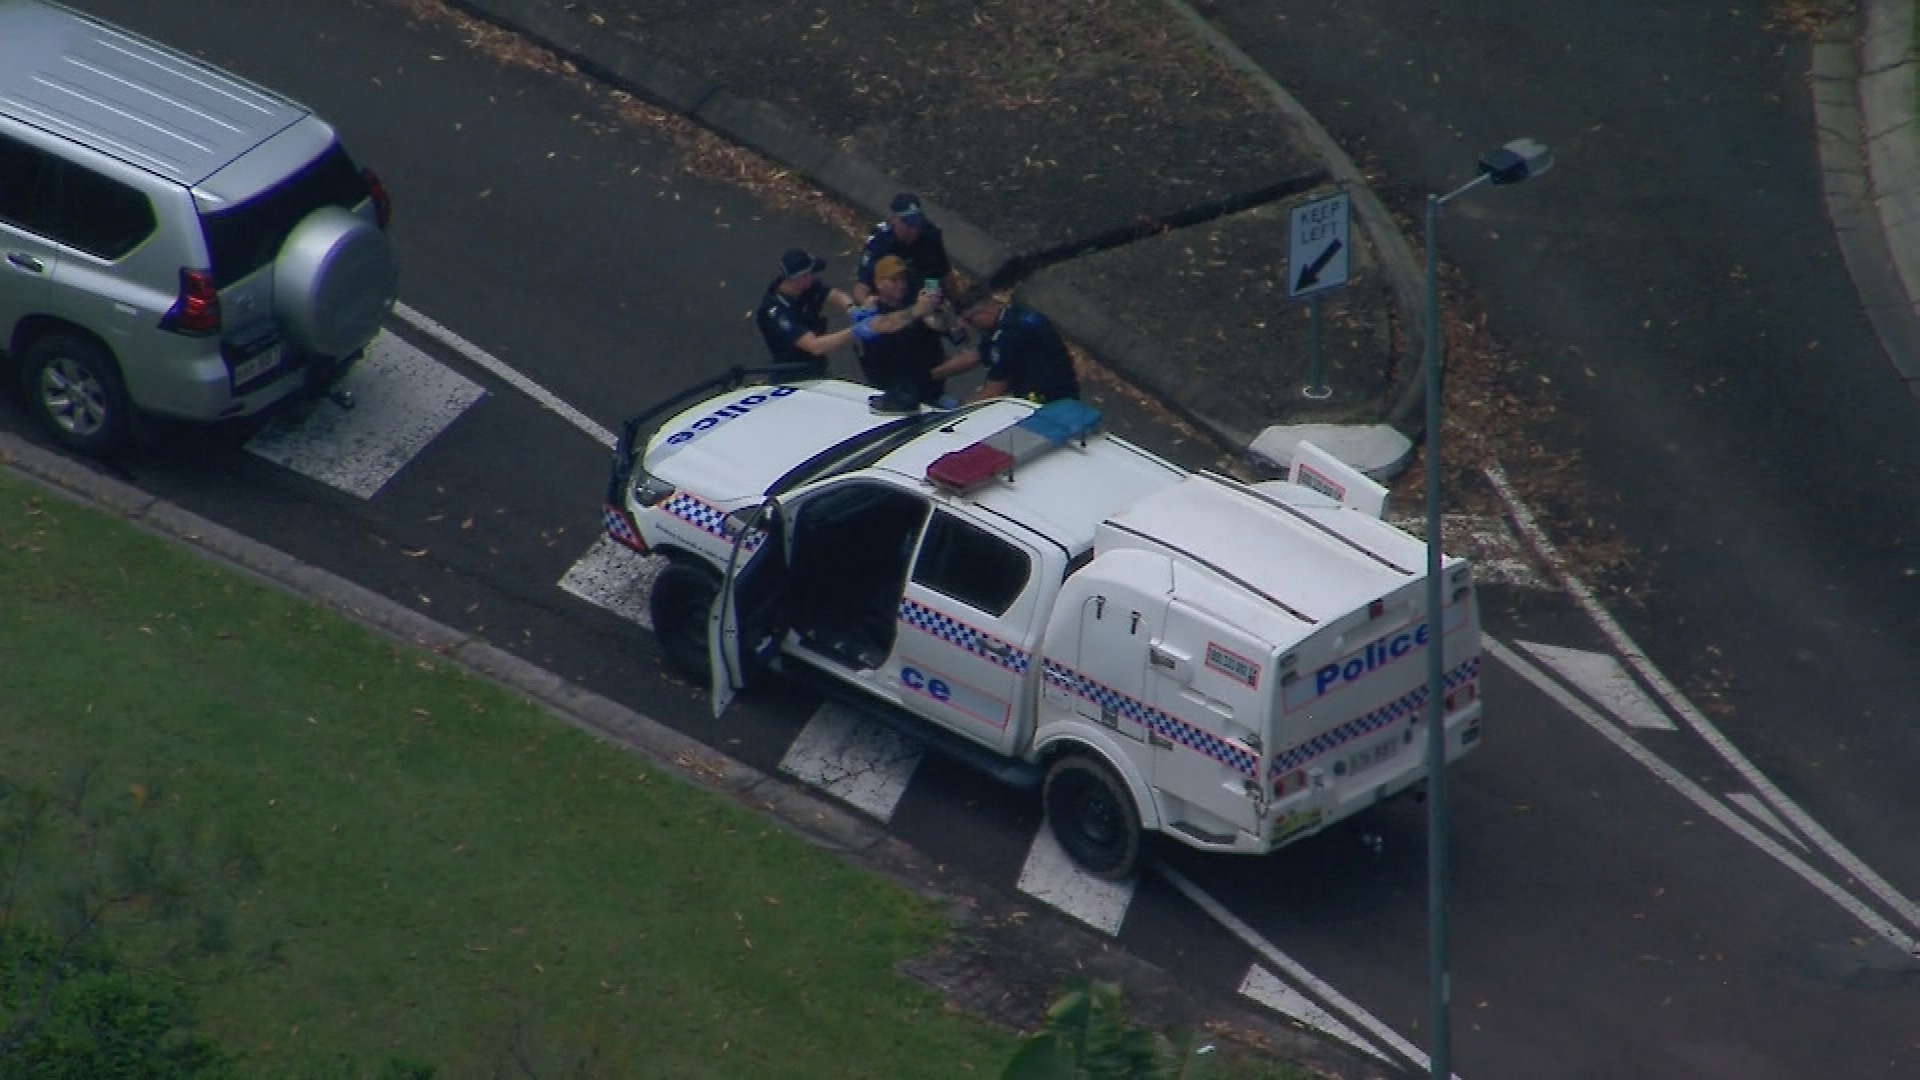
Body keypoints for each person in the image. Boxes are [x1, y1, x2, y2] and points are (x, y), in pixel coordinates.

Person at [756, 248, 931, 373]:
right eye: (809, 274)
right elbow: (814, 346)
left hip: (817, 364)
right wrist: (855, 331)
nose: (813, 278)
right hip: (792, 369)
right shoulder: (776, 312)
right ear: (799, 279)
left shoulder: (807, 287)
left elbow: (834, 295)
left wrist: (852, 309)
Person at [928, 289, 1080, 404]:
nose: (972, 327)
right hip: (1058, 389)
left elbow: (994, 390)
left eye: (970, 321)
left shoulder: (1008, 336)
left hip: (1047, 399)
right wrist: (931, 374)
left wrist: (957, 412)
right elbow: (976, 355)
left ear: (983, 312)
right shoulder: (1010, 317)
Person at [855, 255, 955, 413]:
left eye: (903, 280)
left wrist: (937, 309)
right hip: (894, 401)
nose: (900, 285)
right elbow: (884, 325)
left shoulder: (913, 305)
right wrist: (918, 310)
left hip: (931, 394)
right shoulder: (871, 312)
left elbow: (938, 325)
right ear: (878, 283)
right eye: (894, 281)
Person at [852, 193, 963, 307]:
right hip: (889, 300)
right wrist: (868, 309)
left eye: (917, 222)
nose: (914, 230)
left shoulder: (930, 235)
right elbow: (862, 286)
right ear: (895, 220)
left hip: (923, 290)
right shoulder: (879, 243)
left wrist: (958, 307)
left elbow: (941, 274)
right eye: (908, 223)